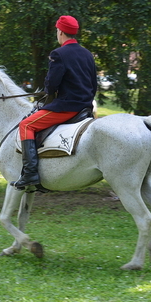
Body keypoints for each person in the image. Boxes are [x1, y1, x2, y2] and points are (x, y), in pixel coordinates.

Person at [13, 15, 97, 190]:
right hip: (85, 107)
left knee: (26, 125)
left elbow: (51, 85)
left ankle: (30, 173)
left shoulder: (58, 54)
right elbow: (93, 84)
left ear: (60, 32)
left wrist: (48, 91)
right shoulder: (87, 54)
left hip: (66, 107)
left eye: (57, 30)